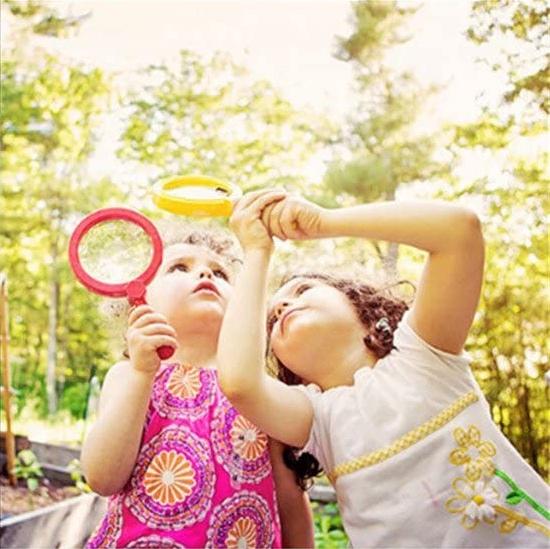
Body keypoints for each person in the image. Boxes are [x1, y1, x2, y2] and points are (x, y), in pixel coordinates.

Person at [218, 190, 550, 548]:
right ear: (290, 373)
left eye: (303, 290)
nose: (282, 304)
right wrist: (256, 253)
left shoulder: (424, 357)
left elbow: (459, 232)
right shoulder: (318, 419)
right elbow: (240, 382)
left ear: (361, 306)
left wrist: (323, 222)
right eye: (271, 319)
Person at [82, 221, 314, 548]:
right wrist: (141, 374)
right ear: (139, 296)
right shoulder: (130, 375)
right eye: (179, 267)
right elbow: (102, 478)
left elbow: (291, 501)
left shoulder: (261, 392)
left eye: (220, 274)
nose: (205, 275)